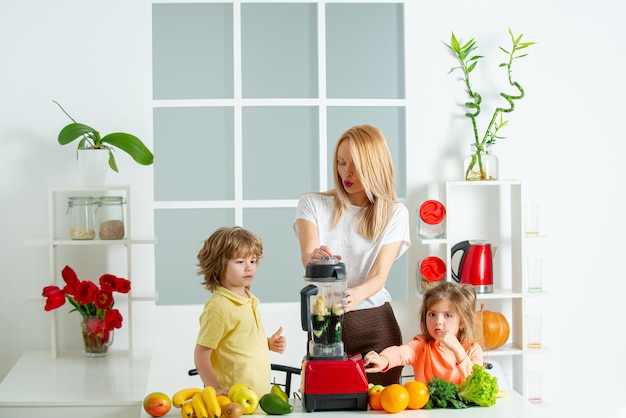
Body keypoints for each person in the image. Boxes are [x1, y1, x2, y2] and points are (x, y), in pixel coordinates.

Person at [294, 124, 410, 386]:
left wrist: (355, 295)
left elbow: (379, 275)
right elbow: (307, 256)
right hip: (324, 326)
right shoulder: (312, 204)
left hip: (374, 322)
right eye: (341, 162)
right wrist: (315, 256)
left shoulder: (394, 213)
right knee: (327, 401)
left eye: (356, 165)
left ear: (375, 166)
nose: (346, 172)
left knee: (382, 404)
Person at [194, 226, 286, 396]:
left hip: (257, 398)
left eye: (253, 261)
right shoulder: (219, 307)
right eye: (240, 262)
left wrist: (268, 344)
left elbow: (238, 342)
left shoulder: (249, 300)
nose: (249, 267)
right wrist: (214, 388)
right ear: (218, 264)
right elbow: (201, 354)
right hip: (231, 398)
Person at [363, 281, 483, 385]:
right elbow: (400, 353)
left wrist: (458, 350)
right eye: (432, 314)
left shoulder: (473, 350)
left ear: (462, 321)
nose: (438, 322)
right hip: (427, 411)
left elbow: (476, 385)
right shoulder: (421, 346)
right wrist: (383, 359)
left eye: (447, 315)